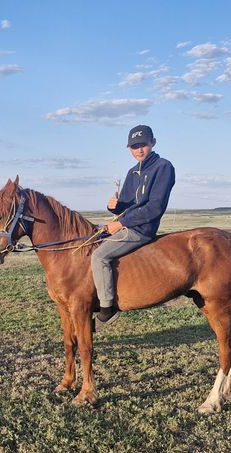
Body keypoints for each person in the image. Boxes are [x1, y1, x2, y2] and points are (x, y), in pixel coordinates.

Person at [91, 124, 176, 328]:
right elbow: (128, 205)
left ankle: (107, 310)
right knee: (90, 240)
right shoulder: (132, 172)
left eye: (143, 145)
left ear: (153, 143)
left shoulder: (163, 167)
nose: (139, 150)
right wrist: (115, 207)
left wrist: (120, 224)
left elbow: (155, 207)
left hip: (142, 229)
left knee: (99, 256)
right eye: (134, 146)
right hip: (128, 224)